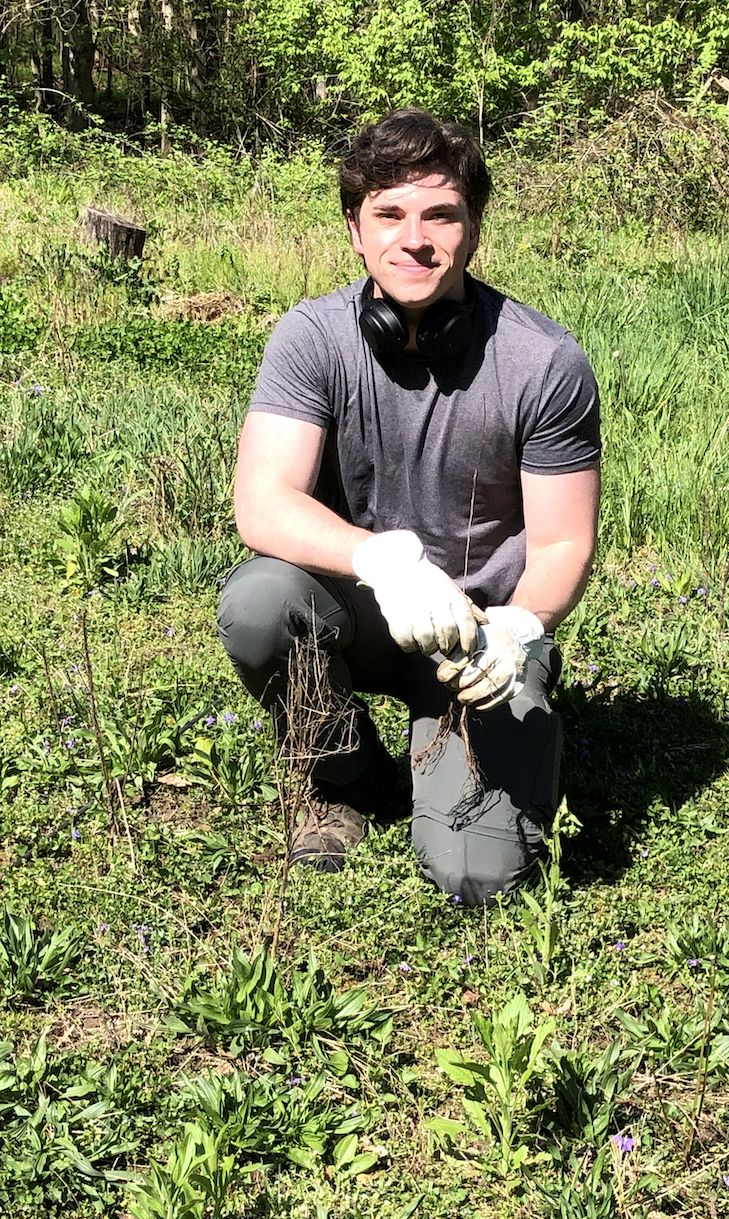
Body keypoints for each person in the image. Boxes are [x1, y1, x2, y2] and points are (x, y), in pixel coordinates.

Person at [217, 108, 601, 906]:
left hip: (477, 645)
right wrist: (381, 559)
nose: (413, 238)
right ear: (355, 230)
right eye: (388, 213)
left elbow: (564, 542)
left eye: (440, 214)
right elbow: (261, 502)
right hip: (359, 610)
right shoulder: (311, 338)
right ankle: (345, 779)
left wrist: (520, 630)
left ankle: (505, 740)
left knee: (476, 875)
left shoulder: (543, 362)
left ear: (473, 227)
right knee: (259, 604)